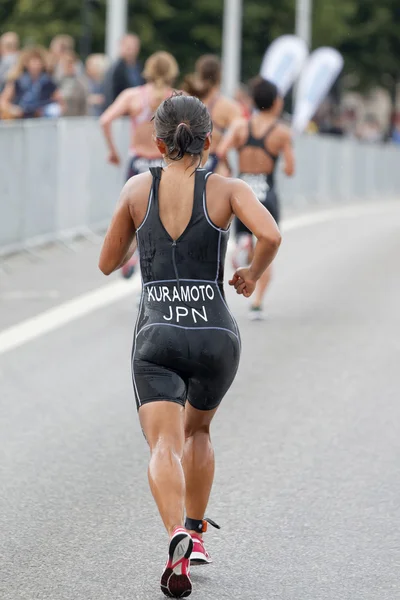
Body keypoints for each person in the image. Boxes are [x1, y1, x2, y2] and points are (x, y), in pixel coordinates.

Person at [98, 93, 281, 598]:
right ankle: (196, 534)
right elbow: (270, 235)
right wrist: (249, 273)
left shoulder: (139, 188)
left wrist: (145, 225)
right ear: (209, 141)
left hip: (157, 331)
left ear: (158, 142)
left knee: (164, 443)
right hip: (215, 335)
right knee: (198, 431)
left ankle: (175, 532)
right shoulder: (227, 189)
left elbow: (107, 262)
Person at [218, 77, 294, 320]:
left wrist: (229, 168)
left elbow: (221, 151)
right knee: (267, 245)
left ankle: (242, 243)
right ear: (275, 103)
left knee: (244, 235)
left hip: (244, 193)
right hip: (266, 192)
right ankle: (257, 303)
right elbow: (290, 169)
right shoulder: (281, 132)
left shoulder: (241, 127)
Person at [100, 51, 179, 279]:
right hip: (165, 164)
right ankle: (157, 268)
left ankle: (133, 253)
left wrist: (113, 152)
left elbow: (105, 119)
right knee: (165, 218)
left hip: (138, 163)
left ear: (148, 70)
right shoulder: (176, 97)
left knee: (135, 216)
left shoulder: (133, 96)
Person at [182, 55, 242, 175]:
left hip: (188, 163)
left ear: (199, 73)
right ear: (219, 76)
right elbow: (240, 136)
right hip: (215, 162)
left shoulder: (185, 100)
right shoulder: (228, 106)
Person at [0, 46, 62, 120]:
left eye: (39, 61)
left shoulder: (48, 81)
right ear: (26, 63)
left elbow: (61, 103)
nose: (36, 64)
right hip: (21, 119)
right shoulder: (18, 81)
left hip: (42, 120)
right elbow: (3, 101)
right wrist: (13, 110)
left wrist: (48, 110)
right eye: (33, 61)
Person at [103, 33, 144, 108]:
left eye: (134, 47)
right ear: (121, 47)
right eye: (129, 47)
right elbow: (110, 94)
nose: (131, 50)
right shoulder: (115, 70)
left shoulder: (141, 67)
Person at [58, 50, 88, 116]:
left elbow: (84, 104)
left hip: (75, 120)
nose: (68, 66)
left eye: (70, 63)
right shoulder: (58, 81)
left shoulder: (80, 83)